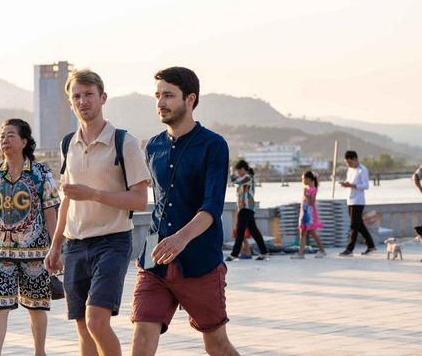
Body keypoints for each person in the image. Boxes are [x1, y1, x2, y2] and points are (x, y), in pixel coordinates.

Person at [130, 67, 239, 356]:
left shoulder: (213, 145)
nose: (161, 103)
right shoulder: (152, 146)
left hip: (199, 261)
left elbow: (213, 204)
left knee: (216, 344)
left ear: (190, 99)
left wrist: (181, 238)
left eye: (168, 95)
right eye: (157, 96)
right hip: (155, 260)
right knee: (141, 338)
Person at [44, 69, 151, 356]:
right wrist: (55, 247)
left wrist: (93, 195)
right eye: (76, 96)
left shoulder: (125, 142)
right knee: (82, 326)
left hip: (112, 242)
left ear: (102, 97)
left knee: (96, 321)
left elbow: (140, 201)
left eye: (89, 94)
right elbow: (67, 200)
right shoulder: (68, 144)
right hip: (75, 245)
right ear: (70, 103)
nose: (83, 101)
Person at [0, 119, 60, 356]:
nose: (5, 139)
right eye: (2, 136)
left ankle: (39, 352)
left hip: (36, 253)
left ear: (24, 141)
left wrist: (56, 246)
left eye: (10, 135)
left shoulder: (41, 172)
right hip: (1, 253)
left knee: (37, 306)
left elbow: (50, 210)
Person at [226, 160, 270, 262]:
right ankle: (264, 252)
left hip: (246, 208)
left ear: (243, 169)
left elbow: (235, 181)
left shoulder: (248, 177)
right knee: (254, 232)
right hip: (246, 208)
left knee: (240, 232)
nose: (238, 172)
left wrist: (230, 171)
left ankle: (234, 254)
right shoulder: (246, 177)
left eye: (238, 170)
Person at [338, 151, 376, 256]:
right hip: (350, 199)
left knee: (354, 225)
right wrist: (346, 184)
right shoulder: (350, 170)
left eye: (349, 162)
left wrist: (352, 185)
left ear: (355, 159)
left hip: (358, 201)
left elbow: (366, 185)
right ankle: (371, 245)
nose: (348, 165)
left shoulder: (362, 170)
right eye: (347, 163)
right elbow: (349, 182)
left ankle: (349, 249)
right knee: (359, 225)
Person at [291, 171, 326, 259]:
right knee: (303, 232)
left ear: (309, 179)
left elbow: (311, 202)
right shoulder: (306, 189)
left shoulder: (313, 189)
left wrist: (305, 194)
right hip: (304, 212)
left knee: (311, 232)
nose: (302, 180)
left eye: (303, 178)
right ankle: (301, 253)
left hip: (309, 214)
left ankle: (322, 250)